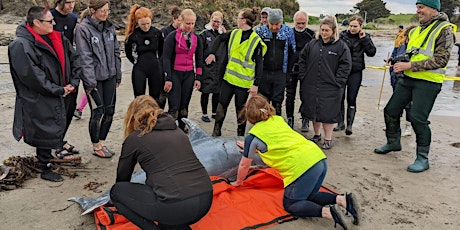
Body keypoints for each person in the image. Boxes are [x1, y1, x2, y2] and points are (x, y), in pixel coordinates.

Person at [231, 95, 360, 230]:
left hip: (303, 167)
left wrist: (238, 182)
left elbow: (245, 165)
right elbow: (279, 143)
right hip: (318, 158)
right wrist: (251, 148)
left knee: (291, 204)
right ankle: (342, 200)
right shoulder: (278, 120)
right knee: (309, 196)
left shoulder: (253, 136)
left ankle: (329, 213)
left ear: (249, 115)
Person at [374, 0, 457, 173]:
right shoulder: (418, 29)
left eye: (421, 7)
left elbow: (441, 60)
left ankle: (422, 158)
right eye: (417, 7)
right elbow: (414, 53)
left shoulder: (445, 29)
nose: (418, 11)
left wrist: (409, 66)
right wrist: (397, 60)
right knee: (390, 110)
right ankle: (393, 142)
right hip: (409, 79)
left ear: (433, 9)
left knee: (418, 119)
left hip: (429, 82)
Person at [110, 95, 213, 230]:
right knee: (170, 209)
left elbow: (123, 178)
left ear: (133, 116)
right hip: (206, 199)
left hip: (175, 205)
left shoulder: (135, 138)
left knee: (116, 192)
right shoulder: (179, 132)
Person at [9, 6, 81, 182]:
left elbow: (74, 58)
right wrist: (58, 90)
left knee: (55, 125)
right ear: (36, 23)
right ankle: (45, 168)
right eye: (50, 21)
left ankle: (50, 160)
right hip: (40, 96)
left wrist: (73, 82)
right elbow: (33, 77)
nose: (54, 23)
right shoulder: (21, 45)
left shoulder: (56, 37)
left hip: (63, 91)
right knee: (44, 129)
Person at [205, 8, 267, 137]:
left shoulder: (256, 40)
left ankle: (240, 137)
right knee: (221, 106)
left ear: (243, 20)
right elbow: (219, 39)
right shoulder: (234, 33)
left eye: (238, 18)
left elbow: (260, 64)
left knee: (241, 111)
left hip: (243, 84)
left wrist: (256, 84)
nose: (237, 20)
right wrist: (212, 53)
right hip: (228, 79)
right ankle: (216, 133)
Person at [75, 0, 121, 158]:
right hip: (93, 80)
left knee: (110, 111)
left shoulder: (110, 27)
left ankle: (102, 142)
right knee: (97, 111)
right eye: (102, 10)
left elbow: (116, 52)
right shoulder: (82, 29)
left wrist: (118, 74)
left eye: (107, 10)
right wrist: (90, 83)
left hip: (110, 76)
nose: (106, 13)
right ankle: (96, 146)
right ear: (92, 10)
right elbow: (84, 57)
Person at [298, 15, 351, 150]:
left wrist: (339, 82)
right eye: (322, 30)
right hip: (311, 84)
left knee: (328, 114)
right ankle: (316, 135)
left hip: (331, 87)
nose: (324, 33)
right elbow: (302, 59)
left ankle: (328, 138)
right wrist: (303, 76)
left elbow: (345, 66)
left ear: (333, 31)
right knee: (314, 111)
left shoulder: (341, 46)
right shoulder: (312, 44)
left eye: (327, 30)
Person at [162, 9, 203, 132]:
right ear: (181, 21)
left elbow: (199, 59)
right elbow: (166, 58)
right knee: (174, 105)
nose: (190, 26)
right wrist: (168, 78)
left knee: (184, 105)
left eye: (192, 23)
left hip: (189, 74)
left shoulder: (196, 38)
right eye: (187, 23)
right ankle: (170, 129)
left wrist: (198, 78)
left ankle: (181, 126)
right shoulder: (172, 36)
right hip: (175, 72)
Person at [335, 15, 376, 135]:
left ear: (361, 26)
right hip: (342, 71)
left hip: (356, 72)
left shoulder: (365, 37)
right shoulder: (342, 36)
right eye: (351, 26)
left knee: (351, 98)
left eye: (355, 26)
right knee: (339, 97)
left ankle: (350, 125)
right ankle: (340, 123)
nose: (352, 28)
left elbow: (372, 53)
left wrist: (364, 40)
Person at [51, 0, 82, 156]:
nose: (72, 5)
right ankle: (55, 144)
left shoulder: (73, 18)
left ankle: (60, 139)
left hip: (70, 67)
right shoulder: (49, 17)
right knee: (57, 108)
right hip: (54, 68)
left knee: (70, 107)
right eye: (68, 2)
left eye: (74, 1)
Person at [256, 8, 296, 116]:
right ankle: (263, 126)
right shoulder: (260, 31)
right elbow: (255, 53)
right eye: (271, 24)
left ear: (281, 22)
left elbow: (293, 53)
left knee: (277, 102)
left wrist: (288, 73)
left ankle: (276, 126)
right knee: (263, 102)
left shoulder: (288, 32)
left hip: (280, 72)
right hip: (264, 72)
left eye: (277, 24)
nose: (274, 27)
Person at [125, 4, 164, 101]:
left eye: (148, 23)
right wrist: (136, 62)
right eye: (143, 24)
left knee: (155, 97)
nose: (146, 26)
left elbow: (161, 50)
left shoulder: (157, 33)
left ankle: (154, 115)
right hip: (140, 68)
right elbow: (128, 53)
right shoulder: (133, 36)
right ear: (137, 22)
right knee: (139, 98)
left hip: (155, 67)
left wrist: (158, 62)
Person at [286, 10, 315, 131]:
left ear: (307, 22)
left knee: (306, 95)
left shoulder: (311, 35)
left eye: (303, 23)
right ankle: (290, 119)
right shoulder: (289, 33)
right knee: (290, 95)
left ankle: (305, 119)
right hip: (291, 69)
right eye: (298, 23)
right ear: (294, 22)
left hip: (306, 70)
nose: (301, 26)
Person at [198, 11, 227, 122]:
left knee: (217, 92)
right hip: (207, 67)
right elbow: (200, 52)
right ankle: (204, 114)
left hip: (219, 68)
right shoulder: (204, 34)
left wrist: (224, 35)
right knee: (205, 91)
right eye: (214, 21)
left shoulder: (223, 35)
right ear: (210, 20)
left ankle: (214, 112)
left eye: (218, 22)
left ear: (221, 23)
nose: (216, 24)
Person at [388, 26, 416, 137]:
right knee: (396, 103)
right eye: (404, 36)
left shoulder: (414, 48)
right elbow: (394, 57)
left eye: (406, 36)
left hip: (407, 79)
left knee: (408, 105)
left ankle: (408, 126)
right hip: (396, 78)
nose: (405, 38)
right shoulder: (401, 46)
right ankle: (395, 126)